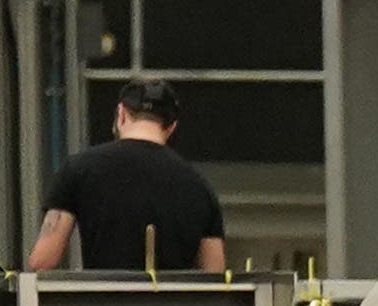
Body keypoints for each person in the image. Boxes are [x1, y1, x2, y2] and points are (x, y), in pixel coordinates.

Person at [25, 79, 231, 277]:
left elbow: (43, 262)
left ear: (121, 114)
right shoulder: (199, 186)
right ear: (171, 128)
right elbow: (214, 276)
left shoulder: (79, 168)